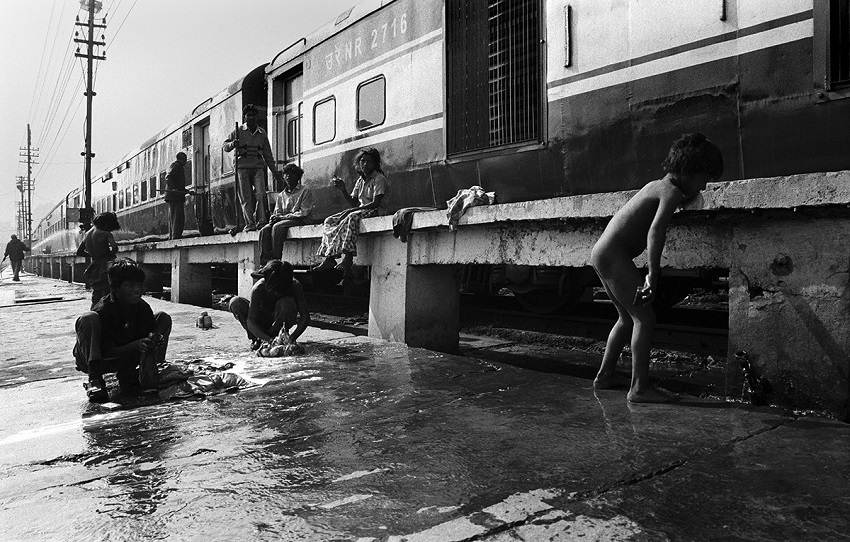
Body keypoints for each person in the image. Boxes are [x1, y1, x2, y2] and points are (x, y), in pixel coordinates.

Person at [590, 133, 723, 403]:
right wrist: (653, 273)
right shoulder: (670, 192)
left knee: (627, 319)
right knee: (645, 318)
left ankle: (605, 377)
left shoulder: (656, 186)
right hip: (613, 255)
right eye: (704, 177)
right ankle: (639, 388)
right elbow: (656, 231)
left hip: (603, 252)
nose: (704, 185)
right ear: (689, 171)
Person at [73, 258, 172, 402]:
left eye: (138, 285)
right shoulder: (104, 310)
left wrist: (154, 340)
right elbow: (106, 351)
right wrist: (136, 345)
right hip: (100, 359)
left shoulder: (142, 307)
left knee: (162, 318)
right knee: (88, 318)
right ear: (116, 288)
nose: (136, 290)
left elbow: (147, 334)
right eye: (129, 286)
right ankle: (94, 380)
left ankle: (148, 370)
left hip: (127, 357)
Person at [313, 147, 388, 277]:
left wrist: (352, 210)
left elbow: (376, 203)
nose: (364, 164)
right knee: (329, 220)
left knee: (352, 217)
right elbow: (354, 202)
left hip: (375, 211)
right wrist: (343, 190)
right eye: (362, 161)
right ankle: (329, 257)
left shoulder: (379, 179)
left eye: (368, 162)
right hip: (362, 210)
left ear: (375, 164)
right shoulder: (360, 180)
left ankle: (348, 258)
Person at [223, 104, 283, 232]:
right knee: (246, 197)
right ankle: (249, 223)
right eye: (248, 115)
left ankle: (261, 222)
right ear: (245, 117)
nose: (251, 118)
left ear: (257, 117)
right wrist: (233, 143)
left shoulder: (262, 133)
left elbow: (267, 154)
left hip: (257, 168)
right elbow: (225, 146)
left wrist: (274, 171)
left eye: (253, 115)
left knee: (261, 194)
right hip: (242, 168)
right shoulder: (238, 131)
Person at [229, 260, 310, 352]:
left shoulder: (295, 286)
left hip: (280, 321)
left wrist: (292, 338)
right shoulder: (258, 288)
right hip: (262, 321)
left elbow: (305, 317)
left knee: (286, 303)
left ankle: (281, 336)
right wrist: (269, 340)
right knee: (236, 302)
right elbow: (251, 321)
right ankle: (257, 339)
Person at [258, 163, 315, 265]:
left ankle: (276, 260)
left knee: (277, 227)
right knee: (264, 229)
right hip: (285, 220)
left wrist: (281, 217)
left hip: (301, 220)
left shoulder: (305, 190)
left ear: (297, 177)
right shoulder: (281, 195)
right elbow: (277, 212)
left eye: (292, 174)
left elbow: (303, 212)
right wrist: (274, 217)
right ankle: (264, 263)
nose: (288, 176)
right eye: (286, 174)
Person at [77, 212, 120, 308]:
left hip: (94, 267)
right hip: (106, 266)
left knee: (96, 294)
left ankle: (94, 313)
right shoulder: (106, 234)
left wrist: (93, 254)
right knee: (110, 293)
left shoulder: (87, 234)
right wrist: (109, 254)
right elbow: (115, 248)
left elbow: (79, 252)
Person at [164, 151, 190, 240]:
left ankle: (174, 235)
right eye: (185, 159)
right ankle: (175, 236)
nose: (186, 161)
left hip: (176, 196)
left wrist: (186, 191)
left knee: (176, 217)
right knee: (177, 217)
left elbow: (178, 184)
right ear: (181, 159)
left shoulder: (178, 166)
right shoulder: (176, 166)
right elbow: (168, 177)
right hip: (175, 197)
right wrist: (174, 189)